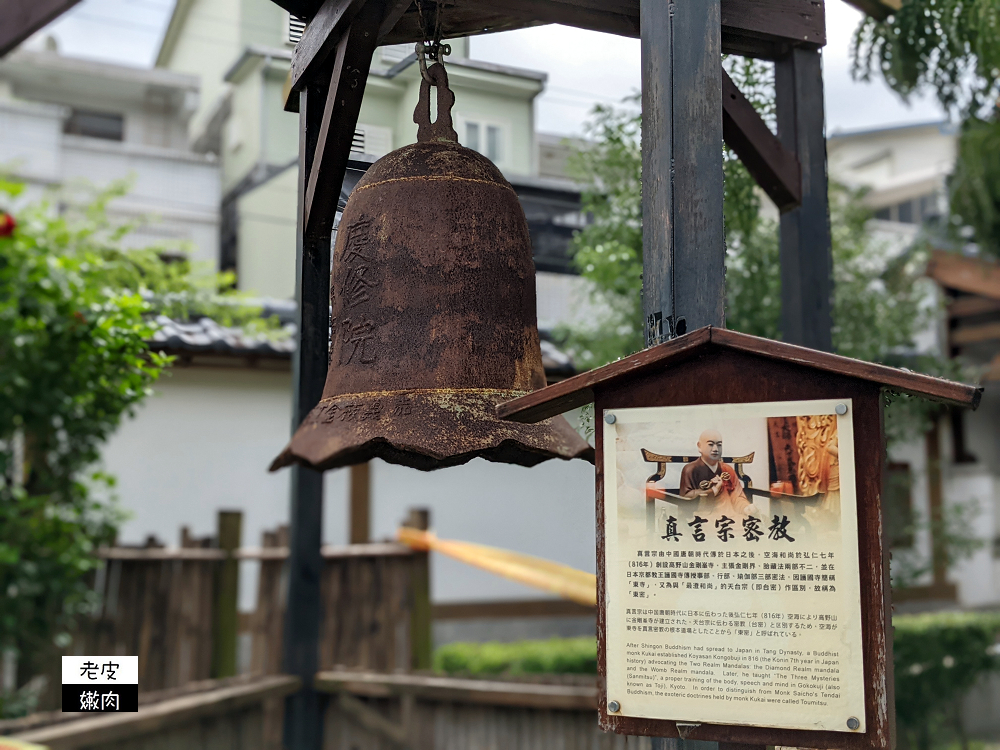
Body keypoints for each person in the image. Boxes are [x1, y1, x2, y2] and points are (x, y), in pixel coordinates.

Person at [678, 429, 758, 521]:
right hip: (703, 518)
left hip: (730, 516)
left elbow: (736, 496)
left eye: (719, 445)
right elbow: (686, 497)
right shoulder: (690, 469)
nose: (715, 449)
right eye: (711, 444)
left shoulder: (727, 470)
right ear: (699, 446)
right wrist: (714, 490)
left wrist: (745, 508)